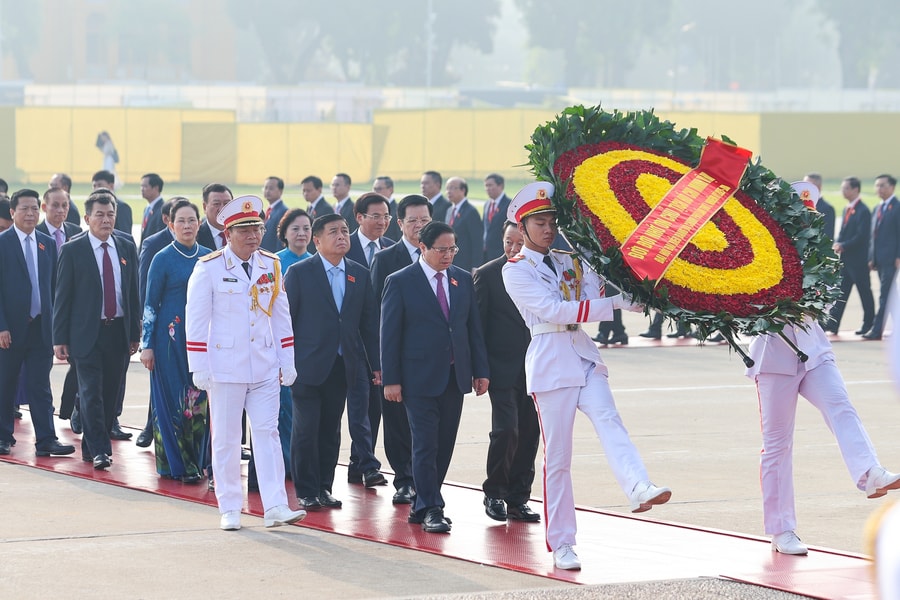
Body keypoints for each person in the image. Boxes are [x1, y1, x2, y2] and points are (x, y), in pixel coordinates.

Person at [501, 182, 671, 570]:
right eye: (540, 222)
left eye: (552, 221)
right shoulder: (515, 272)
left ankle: (638, 486)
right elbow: (555, 310)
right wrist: (613, 303)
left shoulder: (569, 259)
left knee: (611, 420)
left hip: (582, 355)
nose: (548, 228)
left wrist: (646, 295)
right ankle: (562, 542)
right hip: (549, 362)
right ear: (522, 227)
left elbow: (601, 291)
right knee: (558, 459)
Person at [747, 180, 900, 555]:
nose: (805, 222)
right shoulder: (759, 249)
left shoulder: (819, 253)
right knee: (777, 446)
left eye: (810, 215)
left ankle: (870, 473)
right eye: (799, 215)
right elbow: (747, 303)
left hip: (813, 349)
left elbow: (828, 298)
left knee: (841, 404)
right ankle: (781, 530)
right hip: (775, 356)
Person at [185, 194, 305, 531]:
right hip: (225, 366)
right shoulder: (208, 268)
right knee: (225, 438)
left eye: (258, 228)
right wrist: (199, 364)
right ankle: (230, 506)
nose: (253, 236)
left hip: (264, 365)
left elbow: (282, 317)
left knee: (267, 433)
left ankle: (276, 505)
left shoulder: (270, 264)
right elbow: (196, 320)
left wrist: (287, 359)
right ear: (228, 233)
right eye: (245, 230)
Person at [381, 221, 490, 534]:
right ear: (423, 248)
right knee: (425, 444)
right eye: (441, 249)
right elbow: (389, 334)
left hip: (455, 375)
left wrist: (480, 371)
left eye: (452, 248)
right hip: (417, 377)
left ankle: (423, 502)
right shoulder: (401, 281)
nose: (448, 255)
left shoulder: (462, 279)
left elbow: (472, 329)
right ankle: (432, 506)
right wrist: (392, 379)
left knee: (443, 444)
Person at [285, 213, 384, 510]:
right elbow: (286, 321)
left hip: (344, 365)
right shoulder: (300, 273)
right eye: (333, 232)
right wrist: (283, 361)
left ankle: (324, 488)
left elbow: (368, 322)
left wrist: (376, 363)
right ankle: (306, 490)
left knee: (331, 429)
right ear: (317, 240)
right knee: (305, 430)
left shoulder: (358, 273)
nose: (342, 236)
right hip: (307, 365)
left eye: (344, 231)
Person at [53, 189, 141, 470]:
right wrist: (60, 338)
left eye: (110, 214)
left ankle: (93, 447)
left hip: (117, 331)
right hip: (85, 334)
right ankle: (102, 450)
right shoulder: (73, 249)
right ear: (88, 218)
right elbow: (62, 297)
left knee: (110, 394)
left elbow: (132, 293)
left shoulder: (126, 246)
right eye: (100, 215)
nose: (106, 220)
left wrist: (134, 333)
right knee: (90, 393)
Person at [140, 198, 211, 483]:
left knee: (199, 401)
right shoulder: (162, 258)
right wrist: (147, 345)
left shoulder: (209, 256)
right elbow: (150, 304)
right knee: (173, 402)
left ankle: (198, 461)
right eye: (180, 221)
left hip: (201, 339)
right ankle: (178, 464)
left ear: (200, 223)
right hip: (169, 342)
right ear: (170, 224)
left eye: (191, 220)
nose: (186, 226)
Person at [474, 220, 540, 523]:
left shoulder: (544, 271)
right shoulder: (487, 275)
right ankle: (494, 493)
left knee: (530, 433)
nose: (513, 248)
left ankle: (518, 498)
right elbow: (477, 328)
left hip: (539, 367)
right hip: (501, 369)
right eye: (508, 242)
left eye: (519, 243)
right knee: (507, 430)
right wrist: (480, 369)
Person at [0, 189, 75, 458]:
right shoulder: (3, 242)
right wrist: (1, 326)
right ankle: (2, 436)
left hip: (41, 328)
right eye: (24, 209)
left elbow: (55, 289)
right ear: (12, 212)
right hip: (11, 329)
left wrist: (58, 329)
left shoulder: (46, 244)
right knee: (5, 384)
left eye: (34, 209)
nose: (31, 214)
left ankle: (46, 439)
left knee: (40, 386)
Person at [369, 194, 433, 505]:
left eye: (425, 220)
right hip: (396, 354)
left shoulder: (442, 255)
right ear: (400, 224)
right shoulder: (385, 259)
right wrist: (379, 361)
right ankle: (404, 480)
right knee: (396, 421)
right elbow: (374, 314)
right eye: (413, 221)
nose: (419, 226)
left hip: (430, 357)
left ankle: (425, 480)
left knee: (426, 424)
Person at [345, 192, 395, 484]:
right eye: (375, 216)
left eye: (386, 216)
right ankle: (364, 462)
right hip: (351, 341)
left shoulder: (390, 250)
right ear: (360, 217)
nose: (382, 222)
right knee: (357, 404)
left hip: (382, 341)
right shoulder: (341, 245)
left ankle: (361, 462)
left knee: (374, 406)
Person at [826, 176, 875, 335]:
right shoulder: (847, 208)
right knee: (841, 293)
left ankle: (868, 324)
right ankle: (833, 323)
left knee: (864, 293)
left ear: (855, 189)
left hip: (858, 261)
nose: (843, 191)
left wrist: (844, 245)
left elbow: (862, 236)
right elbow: (843, 232)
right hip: (846, 261)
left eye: (846, 188)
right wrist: (838, 242)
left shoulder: (863, 211)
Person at [864, 174, 900, 340]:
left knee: (885, 294)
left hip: (892, 258)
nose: (879, 189)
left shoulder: (897, 207)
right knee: (891, 294)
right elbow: (873, 236)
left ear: (892, 187)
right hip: (879, 258)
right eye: (877, 185)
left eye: (883, 185)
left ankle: (877, 329)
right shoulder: (877, 208)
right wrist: (872, 257)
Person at [444, 177, 482, 273]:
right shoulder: (449, 210)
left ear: (463, 190)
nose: (449, 191)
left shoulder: (470, 212)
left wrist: (476, 266)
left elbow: (477, 241)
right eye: (447, 188)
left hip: (465, 264)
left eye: (453, 188)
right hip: (450, 262)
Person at [482, 173, 511, 263]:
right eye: (486, 186)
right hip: (486, 253)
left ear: (500, 186)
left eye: (490, 185)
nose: (487, 189)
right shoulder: (487, 204)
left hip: (501, 253)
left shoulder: (509, 204)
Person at [195, 183, 232, 252]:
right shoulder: (196, 236)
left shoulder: (242, 232)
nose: (222, 209)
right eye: (216, 204)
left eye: (226, 203)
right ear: (204, 207)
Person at [92, 170, 132, 234]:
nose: (96, 189)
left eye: (99, 185)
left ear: (111, 186)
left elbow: (125, 235)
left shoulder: (122, 207)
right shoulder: (92, 206)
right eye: (94, 186)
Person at [302, 175, 332, 254]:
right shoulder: (310, 207)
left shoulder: (326, 209)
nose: (305, 193)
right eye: (304, 191)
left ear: (319, 190)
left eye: (308, 191)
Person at [804, 173, 835, 241]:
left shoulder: (827, 209)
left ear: (819, 187)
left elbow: (827, 235)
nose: (804, 188)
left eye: (808, 185)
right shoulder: (801, 206)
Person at [261, 176, 288, 252]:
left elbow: (280, 240)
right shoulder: (268, 210)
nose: (267, 191)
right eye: (266, 188)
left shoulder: (283, 211)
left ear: (280, 191)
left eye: (271, 188)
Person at [139, 173, 166, 246]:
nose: (142, 189)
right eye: (141, 186)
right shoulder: (147, 209)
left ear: (156, 188)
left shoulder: (163, 210)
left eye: (145, 186)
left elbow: (161, 238)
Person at [373, 176, 401, 241]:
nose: (375, 192)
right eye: (374, 189)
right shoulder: (370, 209)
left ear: (391, 190)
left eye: (379, 189)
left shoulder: (399, 210)